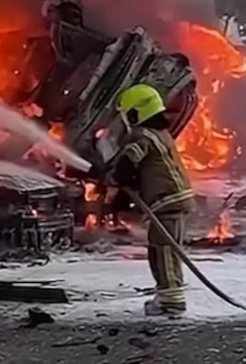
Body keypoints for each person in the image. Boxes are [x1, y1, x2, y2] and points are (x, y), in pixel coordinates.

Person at [70, 84, 196, 316]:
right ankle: (168, 294)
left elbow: (132, 159)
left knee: (163, 250)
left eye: (128, 114)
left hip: (168, 200)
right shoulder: (160, 134)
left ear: (137, 113)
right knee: (162, 249)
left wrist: (117, 176)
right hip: (172, 199)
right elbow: (147, 169)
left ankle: (172, 301)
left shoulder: (144, 135)